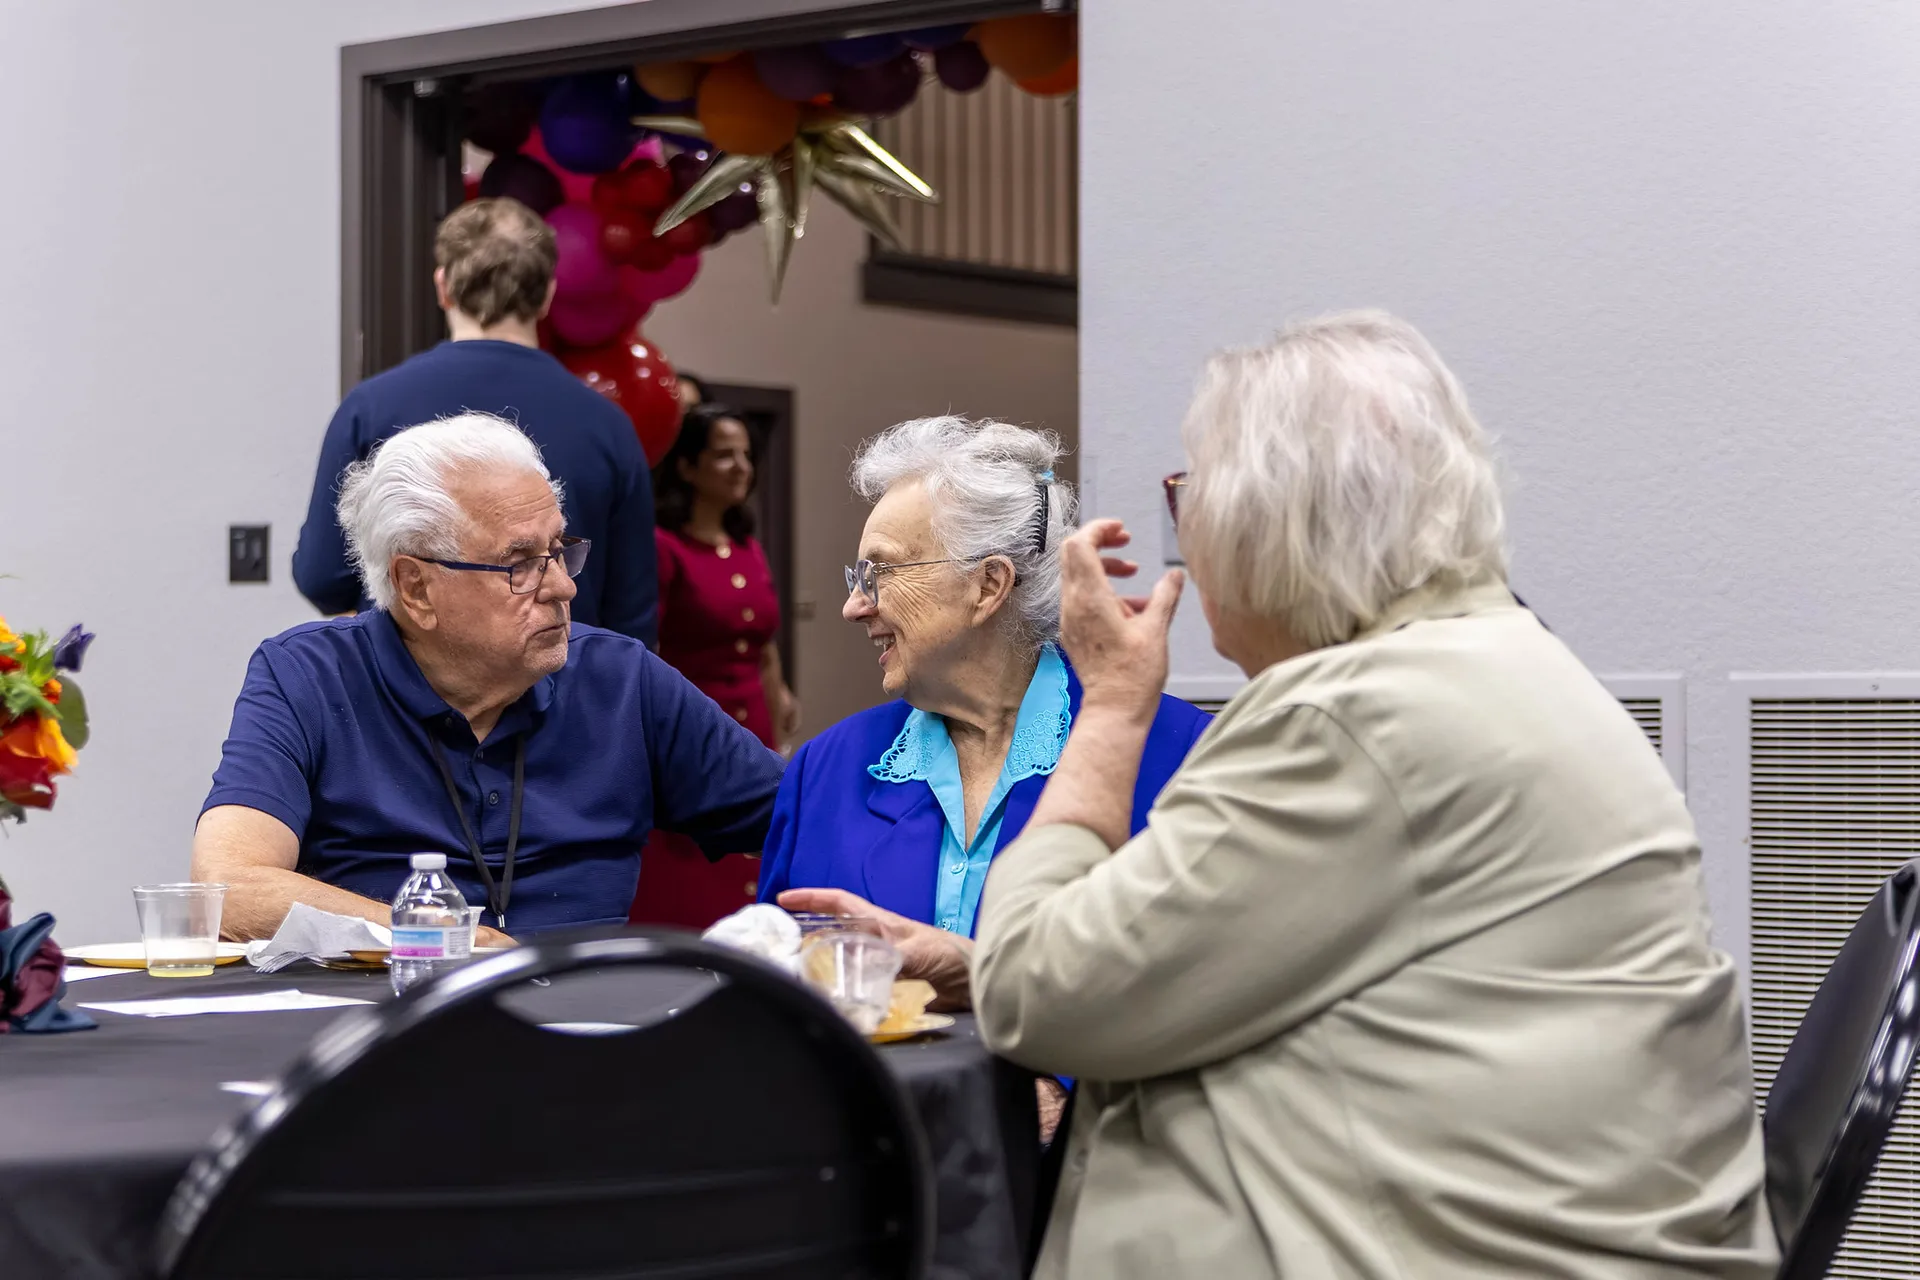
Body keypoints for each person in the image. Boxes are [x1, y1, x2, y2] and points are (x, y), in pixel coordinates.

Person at [971, 312, 1777, 1279]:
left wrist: (1108, 703)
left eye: (1185, 497)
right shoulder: (1490, 659)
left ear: (1270, 518)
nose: (1180, 535)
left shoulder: (1361, 716)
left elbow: (1034, 993)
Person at [195, 414, 782, 944]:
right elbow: (228, 887)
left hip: (586, 1031)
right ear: (416, 587)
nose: (562, 587)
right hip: (383, 1032)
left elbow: (805, 815)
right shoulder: (309, 676)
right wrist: (449, 943)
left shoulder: (620, 678)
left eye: (559, 549)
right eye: (520, 563)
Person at [759, 416, 1212, 1004]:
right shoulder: (826, 769)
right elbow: (772, 979)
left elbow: (1201, 987)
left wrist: (1065, 1088)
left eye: (880, 572)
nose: (853, 606)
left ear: (988, 585)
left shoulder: (1183, 756)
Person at [293, 198, 659, 646]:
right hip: (563, 693)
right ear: (547, 295)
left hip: (406, 697)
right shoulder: (610, 426)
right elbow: (633, 613)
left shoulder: (370, 408)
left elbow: (321, 577)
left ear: (443, 286)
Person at [628, 404, 798, 930]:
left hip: (756, 723)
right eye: (724, 455)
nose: (741, 467)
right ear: (688, 467)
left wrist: (781, 709)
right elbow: (646, 649)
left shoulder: (748, 546)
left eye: (746, 455)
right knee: (692, 889)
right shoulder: (663, 548)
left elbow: (764, 646)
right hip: (693, 733)